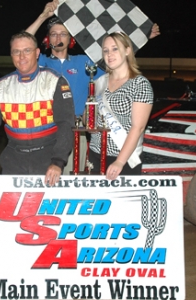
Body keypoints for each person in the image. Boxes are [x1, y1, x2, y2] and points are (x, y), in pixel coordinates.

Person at [26, 0, 160, 174]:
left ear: (71, 39)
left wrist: (140, 38)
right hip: (46, 129)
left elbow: (116, 60)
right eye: (53, 34)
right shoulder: (40, 62)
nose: (58, 38)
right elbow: (23, 45)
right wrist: (43, 16)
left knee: (76, 180)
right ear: (47, 38)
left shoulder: (84, 63)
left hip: (77, 132)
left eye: (63, 34)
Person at [0, 31, 74, 186]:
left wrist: (58, 162)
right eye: (16, 52)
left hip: (48, 161)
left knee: (46, 211)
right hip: (13, 161)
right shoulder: (1, 86)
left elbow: (66, 124)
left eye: (27, 51)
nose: (21, 56)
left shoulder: (55, 81)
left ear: (37, 53)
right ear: (11, 55)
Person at [89, 32, 153, 180]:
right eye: (106, 50)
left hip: (124, 158)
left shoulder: (140, 83)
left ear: (127, 51)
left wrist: (120, 161)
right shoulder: (99, 82)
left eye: (115, 48)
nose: (109, 54)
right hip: (95, 153)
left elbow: (138, 127)